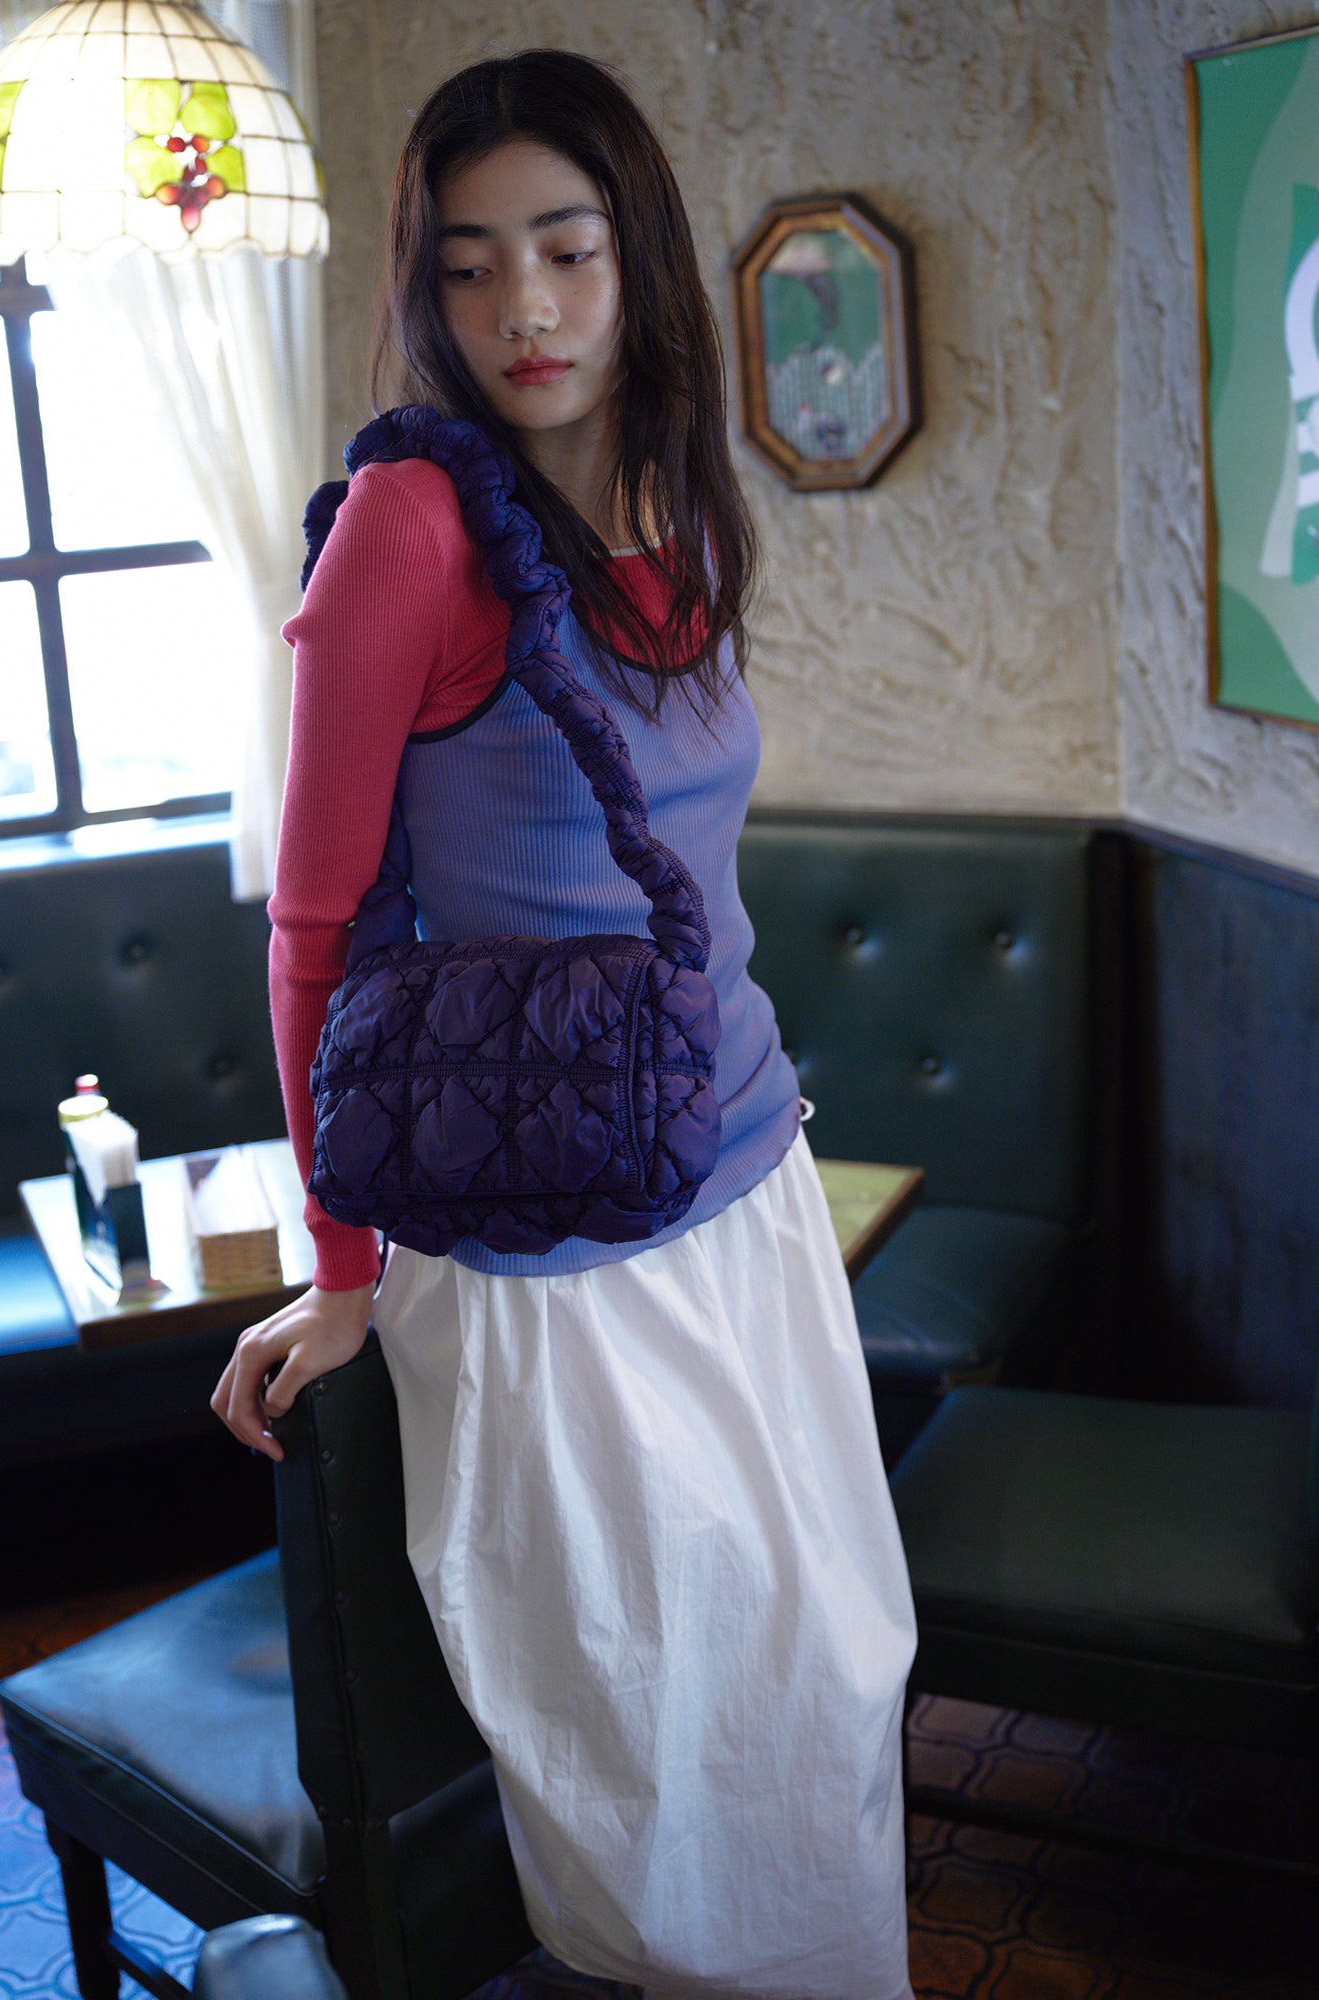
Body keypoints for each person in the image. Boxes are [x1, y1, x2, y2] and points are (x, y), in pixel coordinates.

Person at [212, 48, 917, 2000]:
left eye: (566, 249)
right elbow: (312, 929)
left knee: (823, 1690)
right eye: (467, 265)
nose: (520, 307)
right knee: (661, 1771)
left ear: (638, 262)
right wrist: (342, 1271)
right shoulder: (410, 527)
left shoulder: (678, 493)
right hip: (554, 1260)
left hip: (749, 1193)